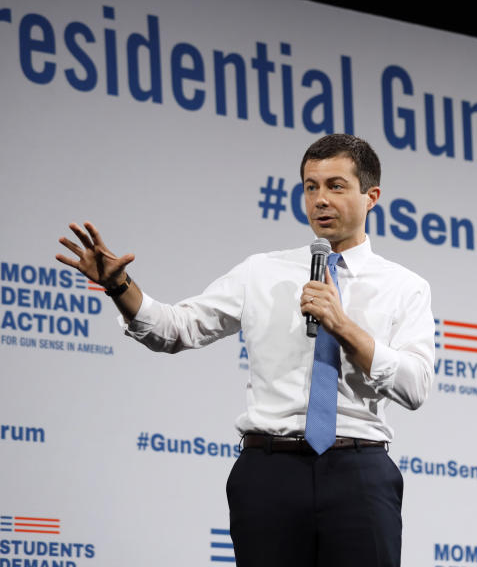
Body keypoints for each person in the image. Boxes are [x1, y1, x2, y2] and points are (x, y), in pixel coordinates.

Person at [56, 134, 435, 567]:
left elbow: (416, 386)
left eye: (335, 186)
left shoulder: (406, 287)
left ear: (371, 197)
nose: (320, 200)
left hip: (360, 472)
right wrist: (118, 286)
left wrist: (344, 327)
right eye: (311, 187)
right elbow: (175, 329)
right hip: (270, 471)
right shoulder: (262, 271)